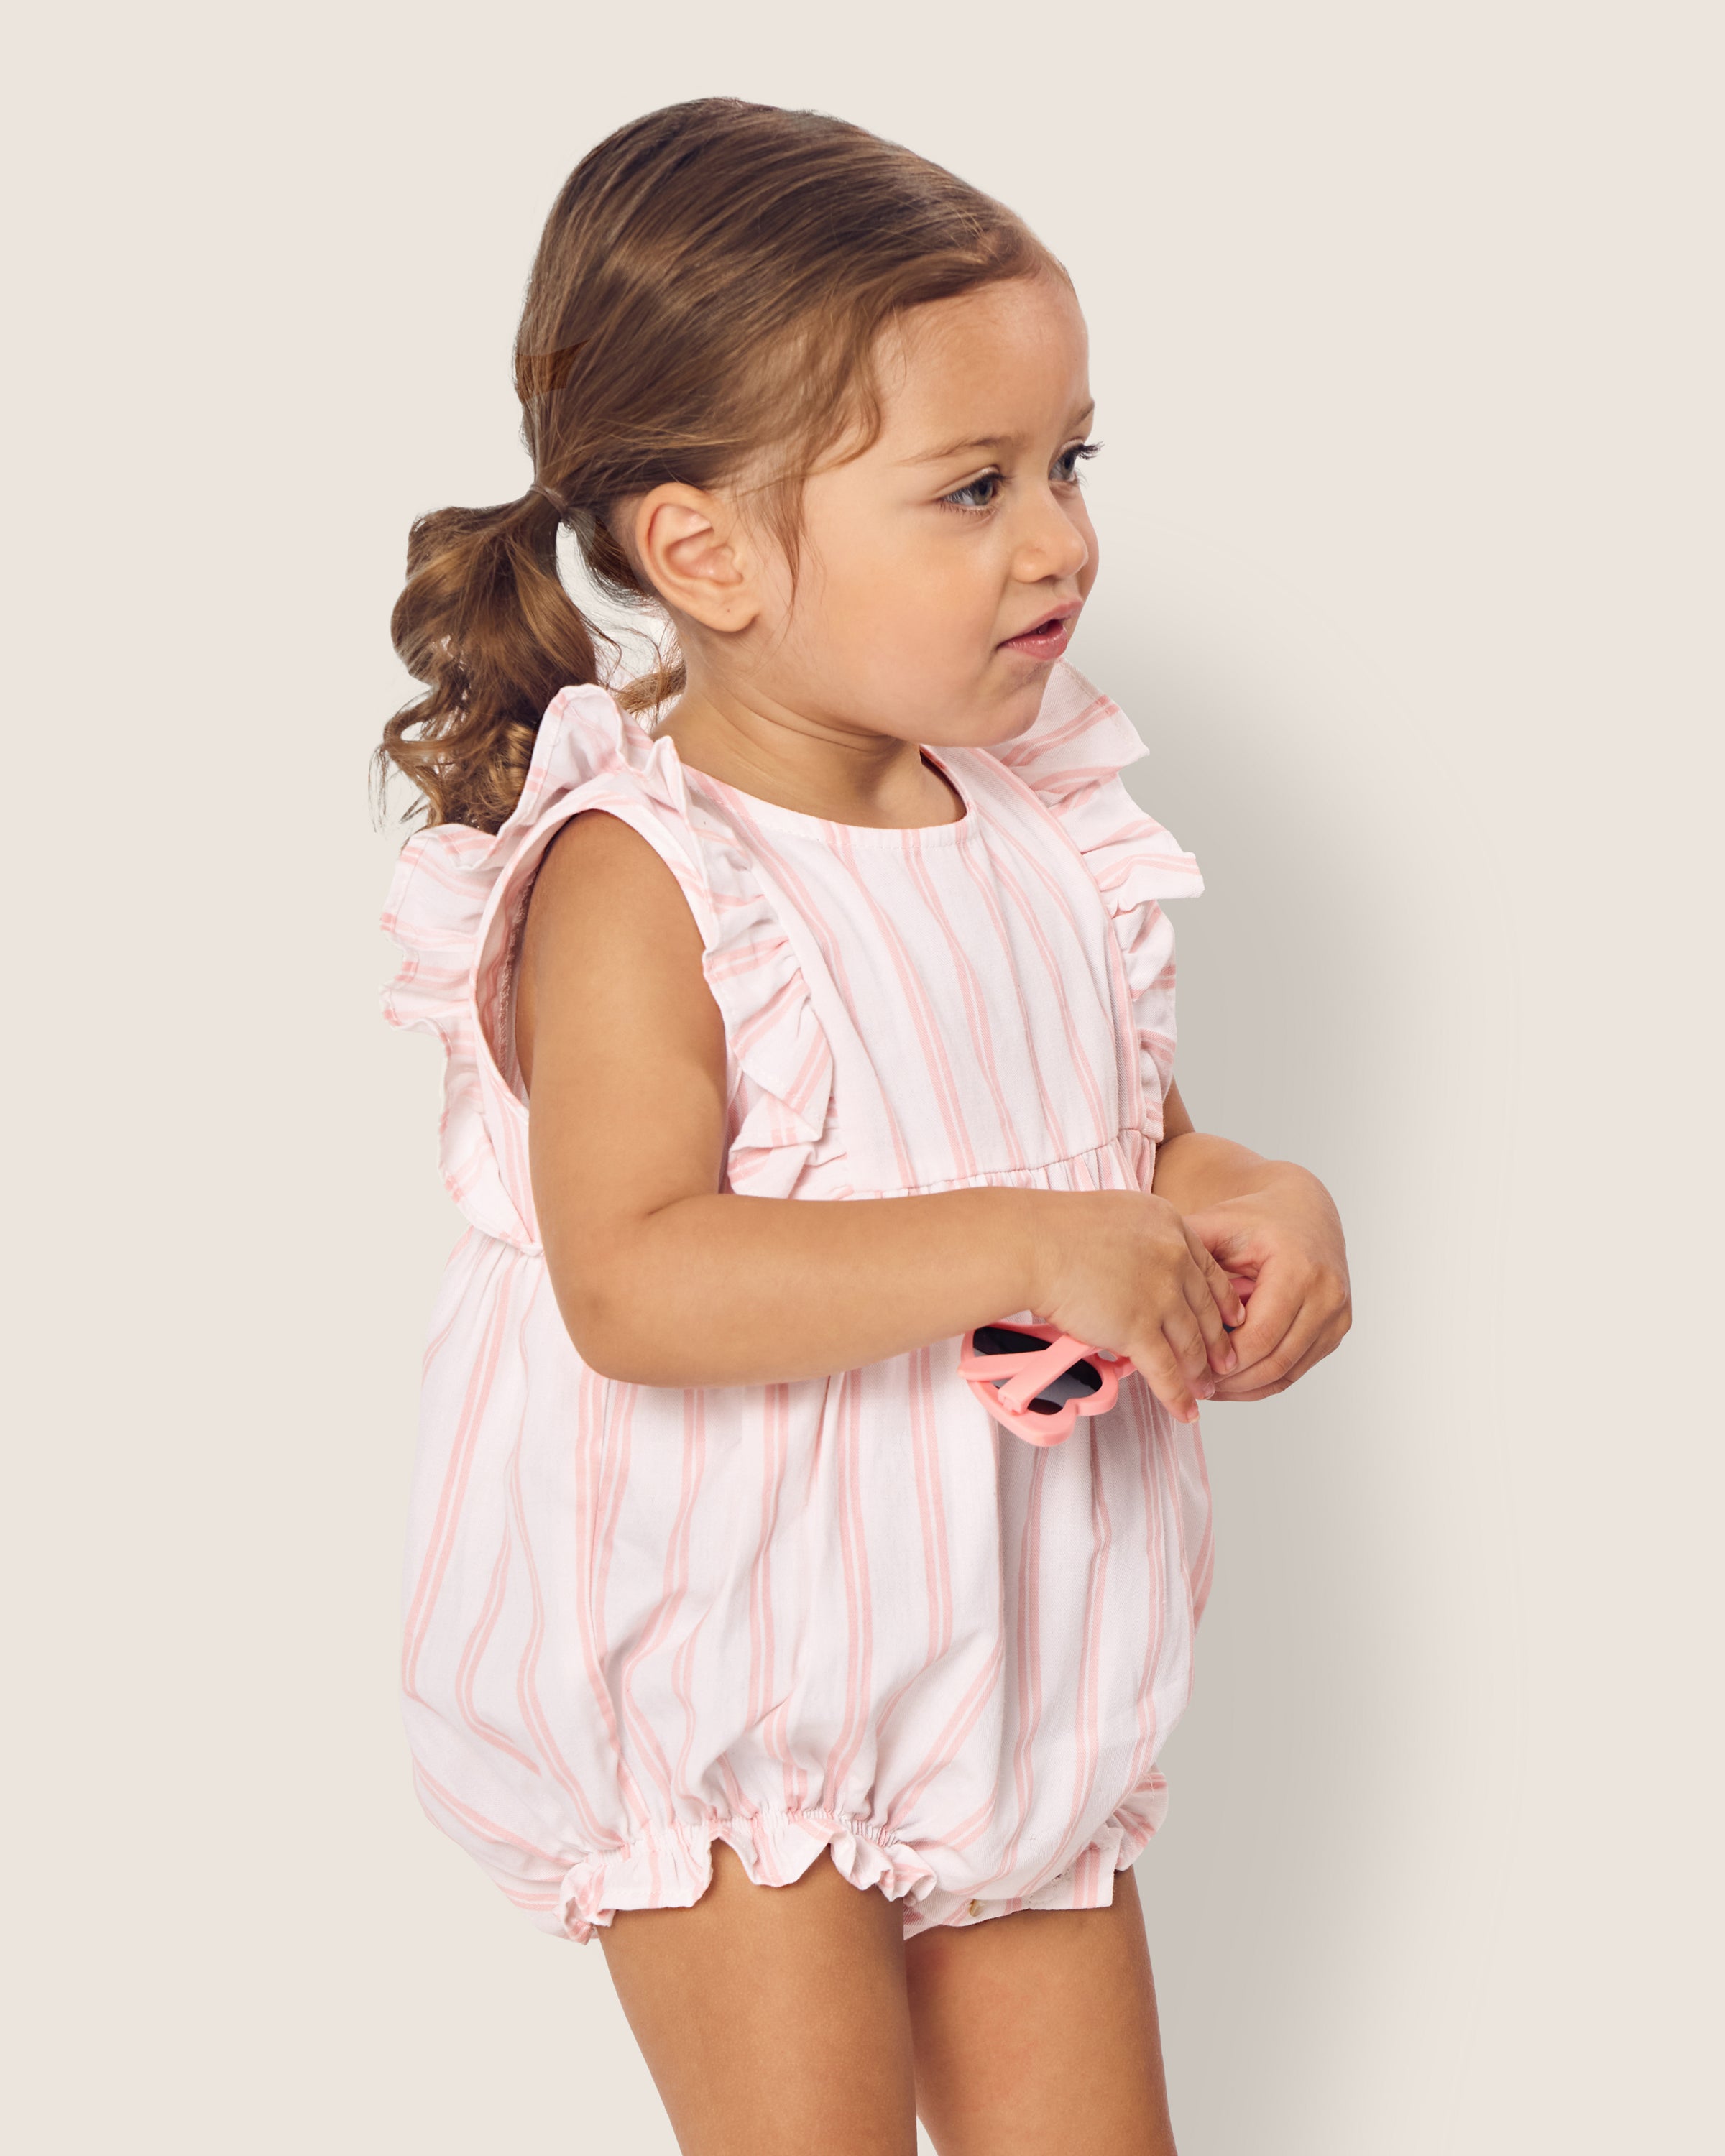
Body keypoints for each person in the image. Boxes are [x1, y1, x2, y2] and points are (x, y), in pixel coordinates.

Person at [379, 97, 1351, 2156]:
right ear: (703, 550)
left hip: (1013, 1657)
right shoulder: (647, 873)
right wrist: (1020, 1241)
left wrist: (1244, 1193)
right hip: (741, 1670)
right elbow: (632, 1274)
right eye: (973, 487)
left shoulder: (1037, 824)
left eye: (1072, 464)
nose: (1062, 537)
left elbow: (1128, 1137)